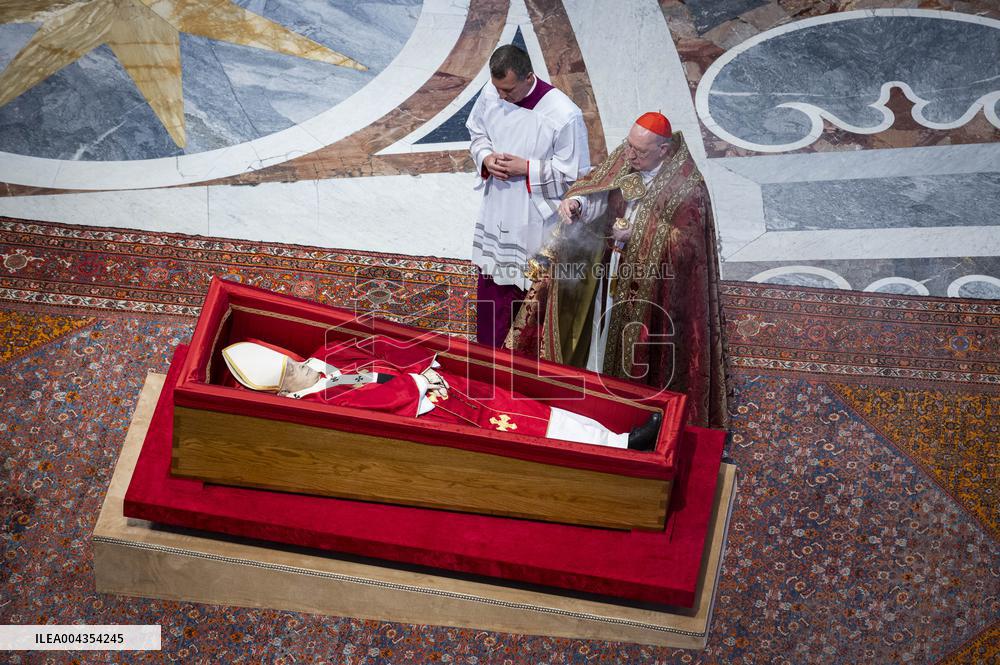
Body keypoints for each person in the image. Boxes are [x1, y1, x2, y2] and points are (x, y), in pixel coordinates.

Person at [505, 113, 728, 428]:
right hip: (610, 271)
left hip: (653, 292)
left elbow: (689, 249)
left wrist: (636, 234)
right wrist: (579, 204)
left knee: (634, 348)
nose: (630, 156)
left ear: (663, 151)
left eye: (640, 151)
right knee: (602, 332)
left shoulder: (689, 186)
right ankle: (594, 391)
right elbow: (601, 189)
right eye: (629, 146)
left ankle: (629, 412)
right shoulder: (629, 158)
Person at [222, 337, 662, 451]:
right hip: (437, 415)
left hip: (446, 389)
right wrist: (420, 385)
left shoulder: (321, 362)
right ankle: (621, 450)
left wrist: (420, 367)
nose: (304, 365)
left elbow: (376, 354)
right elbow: (380, 403)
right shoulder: (320, 405)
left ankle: (614, 436)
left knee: (531, 407)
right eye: (295, 371)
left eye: (295, 361)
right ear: (285, 393)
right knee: (529, 431)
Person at [467, 44, 591, 347]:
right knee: (494, 282)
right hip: (498, 204)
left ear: (528, 77)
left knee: (527, 289)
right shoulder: (492, 92)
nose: (501, 97)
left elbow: (576, 175)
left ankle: (523, 358)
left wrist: (528, 168)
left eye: (508, 90)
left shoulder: (564, 115)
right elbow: (477, 132)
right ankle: (488, 353)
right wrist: (485, 157)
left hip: (535, 217)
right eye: (498, 89)